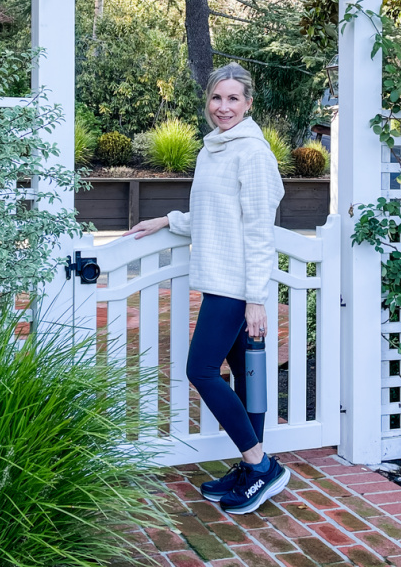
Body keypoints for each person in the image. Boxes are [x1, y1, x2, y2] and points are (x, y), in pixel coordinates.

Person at [124, 62, 289, 514]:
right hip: (220, 279)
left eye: (234, 98)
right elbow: (214, 216)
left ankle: (261, 467)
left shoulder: (251, 153)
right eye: (217, 98)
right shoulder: (212, 148)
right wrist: (167, 220)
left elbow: (258, 229)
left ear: (249, 103)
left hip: (236, 286)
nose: (224, 107)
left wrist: (255, 296)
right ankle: (251, 464)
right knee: (245, 378)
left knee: (200, 370)